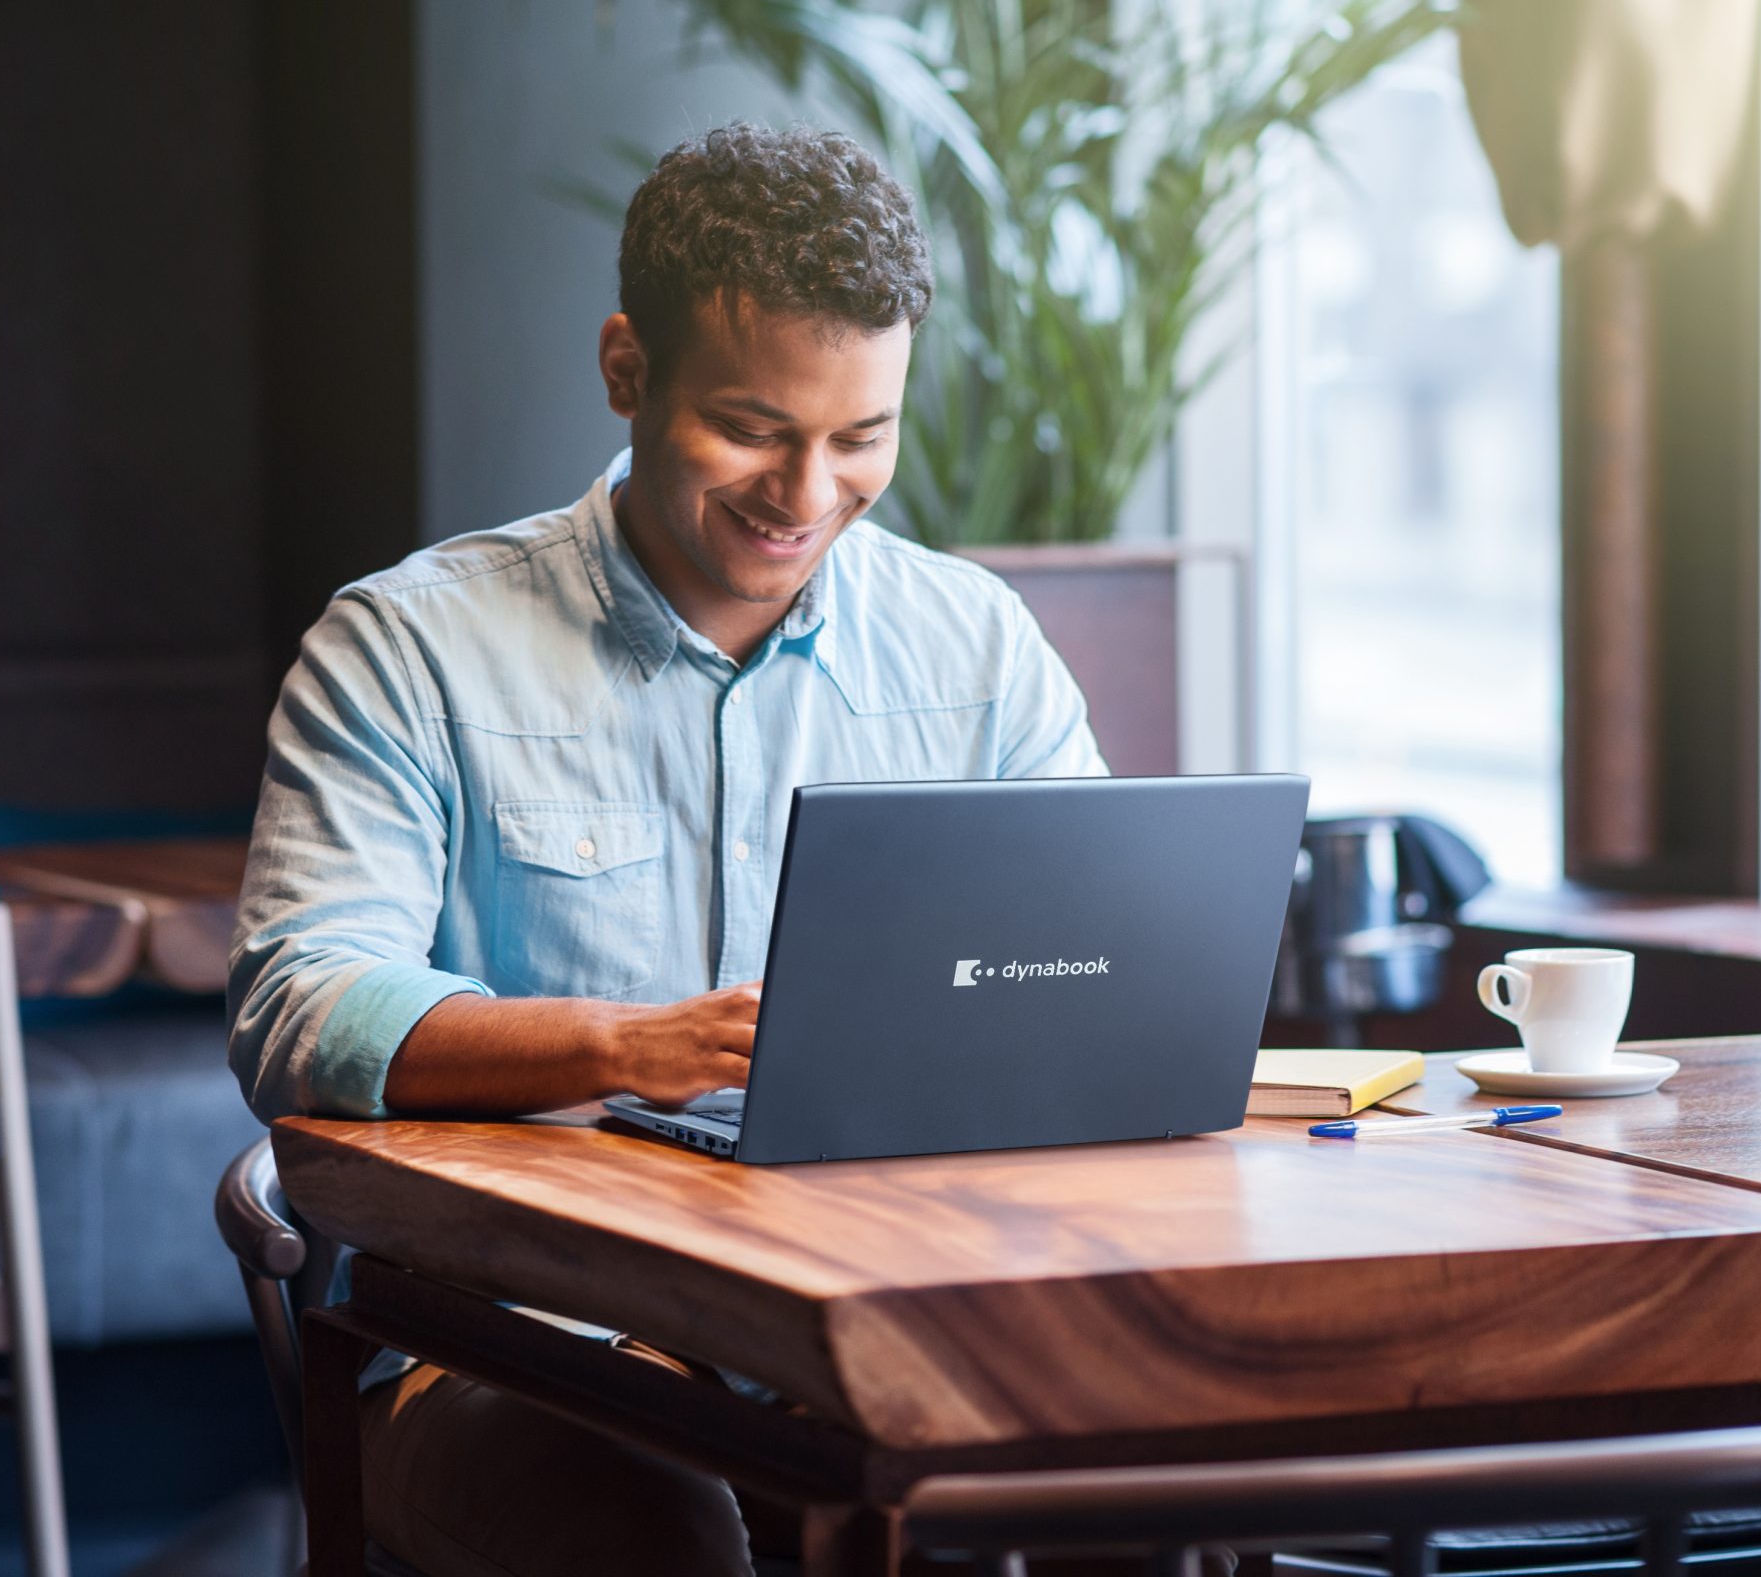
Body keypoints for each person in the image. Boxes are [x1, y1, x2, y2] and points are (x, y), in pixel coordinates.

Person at [229, 122, 1106, 1576]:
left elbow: (1095, 967)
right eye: (755, 428)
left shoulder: (976, 647)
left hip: (896, 1320)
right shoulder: (410, 647)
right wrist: (627, 1046)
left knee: (1158, 1504)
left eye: (861, 437)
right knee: (662, 1535)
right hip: (507, 1347)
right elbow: (301, 1003)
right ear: (627, 369)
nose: (807, 493)